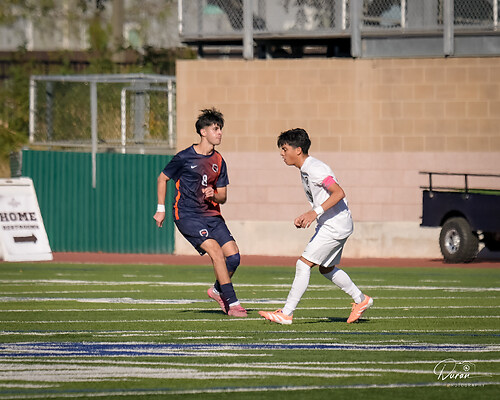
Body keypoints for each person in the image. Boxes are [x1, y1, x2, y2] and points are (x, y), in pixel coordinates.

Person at [258, 128, 373, 324]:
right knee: (326, 269)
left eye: (285, 149)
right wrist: (312, 214)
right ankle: (361, 299)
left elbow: (339, 193)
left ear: (298, 150)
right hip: (333, 223)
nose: (282, 154)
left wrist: (314, 213)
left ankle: (286, 313)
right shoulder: (306, 169)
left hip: (335, 225)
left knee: (303, 264)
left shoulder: (315, 168)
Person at [153, 107, 247, 317]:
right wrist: (161, 209)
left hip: (212, 215)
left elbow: (223, 196)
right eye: (215, 129)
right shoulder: (184, 157)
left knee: (234, 257)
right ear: (203, 132)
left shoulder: (219, 161)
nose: (219, 133)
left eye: (220, 129)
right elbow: (162, 178)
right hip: (187, 215)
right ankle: (233, 304)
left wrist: (214, 195)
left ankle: (217, 290)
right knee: (215, 251)